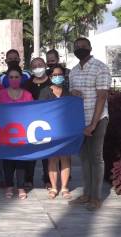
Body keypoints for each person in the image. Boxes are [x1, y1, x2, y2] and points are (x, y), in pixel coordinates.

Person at [68, 37, 111, 211]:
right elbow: (72, 91)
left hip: (97, 120)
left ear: (90, 48)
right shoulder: (73, 71)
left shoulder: (100, 67)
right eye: (76, 46)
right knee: (84, 159)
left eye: (83, 46)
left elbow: (102, 97)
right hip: (79, 121)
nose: (80, 49)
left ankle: (96, 197)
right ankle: (86, 194)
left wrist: (93, 124)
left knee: (96, 158)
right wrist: (73, 92)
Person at [0, 66, 33, 200]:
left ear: (21, 78)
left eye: (16, 77)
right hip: (5, 133)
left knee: (21, 161)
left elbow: (32, 113)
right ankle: (9, 186)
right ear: (7, 79)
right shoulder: (1, 94)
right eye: (11, 77)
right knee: (8, 161)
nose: (14, 79)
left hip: (22, 133)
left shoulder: (28, 95)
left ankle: (21, 186)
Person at [23, 57, 52, 189]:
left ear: (45, 65)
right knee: (31, 153)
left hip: (49, 122)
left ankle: (48, 179)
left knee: (47, 154)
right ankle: (28, 179)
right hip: (31, 122)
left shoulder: (52, 82)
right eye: (34, 66)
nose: (38, 68)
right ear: (31, 69)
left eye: (40, 65)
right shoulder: (27, 84)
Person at [43, 65, 72, 199]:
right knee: (52, 159)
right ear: (50, 77)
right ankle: (54, 187)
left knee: (65, 158)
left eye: (60, 74)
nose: (57, 77)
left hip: (66, 131)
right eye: (54, 75)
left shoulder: (69, 92)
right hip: (50, 131)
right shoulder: (45, 92)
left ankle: (65, 187)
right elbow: (40, 111)